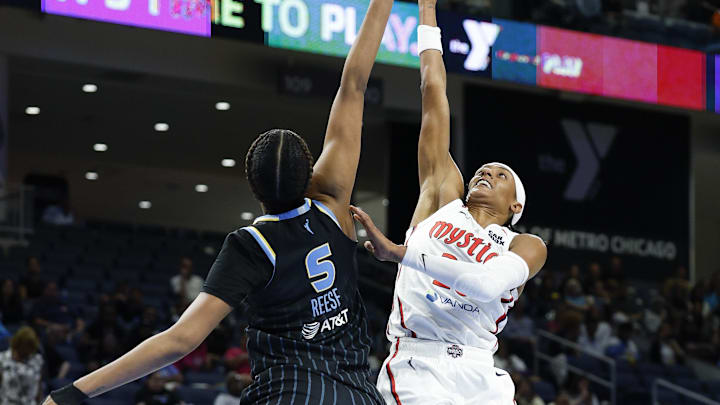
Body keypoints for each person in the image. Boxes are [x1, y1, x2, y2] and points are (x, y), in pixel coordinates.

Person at [44, 0, 393, 402]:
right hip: (358, 395)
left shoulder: (251, 245)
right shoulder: (333, 204)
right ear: (310, 175)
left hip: (290, 394)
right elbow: (354, 82)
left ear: (253, 187)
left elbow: (181, 340)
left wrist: (74, 392)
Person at [349, 1, 545, 402]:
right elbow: (432, 90)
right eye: (483, 170)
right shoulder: (442, 196)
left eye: (500, 174)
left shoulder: (525, 246)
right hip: (419, 363)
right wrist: (427, 10)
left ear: (516, 208)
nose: (485, 173)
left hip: (480, 372)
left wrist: (400, 254)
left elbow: (485, 284)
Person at [0, 326, 44, 405]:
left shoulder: (37, 360)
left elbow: (38, 388)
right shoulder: (2, 360)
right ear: (19, 343)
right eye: (27, 346)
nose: (29, 350)